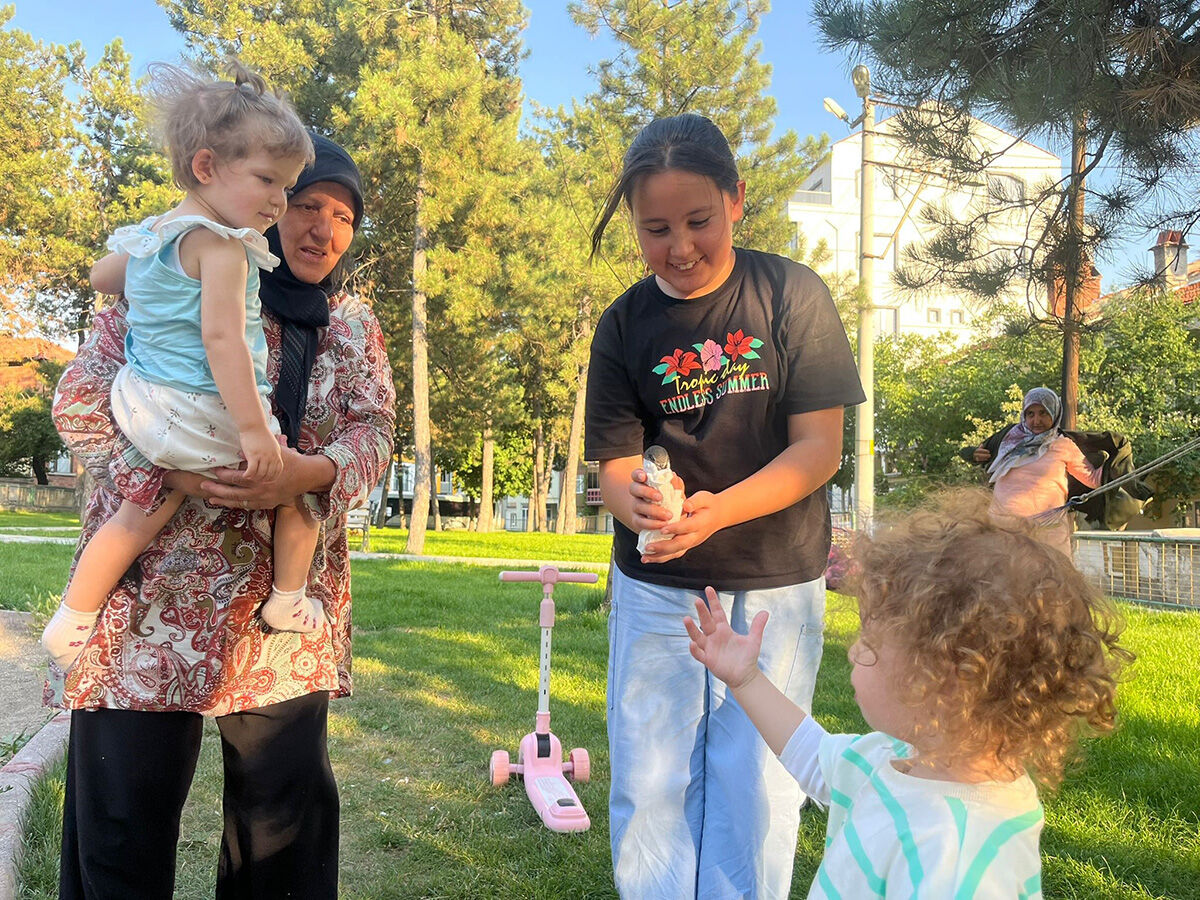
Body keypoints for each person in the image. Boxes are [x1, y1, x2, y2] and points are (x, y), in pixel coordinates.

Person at [50, 123, 395, 899]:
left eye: (345, 215)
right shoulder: (171, 277)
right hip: (145, 608)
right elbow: (77, 405)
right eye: (307, 203)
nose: (323, 228)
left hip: (279, 616)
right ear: (266, 203)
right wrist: (172, 464)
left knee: (283, 838)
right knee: (120, 836)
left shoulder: (352, 325)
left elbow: (374, 432)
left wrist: (302, 474)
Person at [584, 113, 865, 899]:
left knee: (759, 781)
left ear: (737, 201)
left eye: (698, 221)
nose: (679, 247)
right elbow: (612, 466)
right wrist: (643, 507)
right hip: (654, 590)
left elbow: (818, 450)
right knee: (652, 774)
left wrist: (715, 512)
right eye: (655, 229)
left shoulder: (790, 293)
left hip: (774, 577)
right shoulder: (623, 324)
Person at [684, 490, 1132, 898]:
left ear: (943, 679)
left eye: (871, 639)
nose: (853, 649)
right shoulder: (895, 758)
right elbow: (810, 754)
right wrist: (745, 679)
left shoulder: (955, 857)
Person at [41, 64, 323, 671]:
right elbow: (222, 339)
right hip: (205, 409)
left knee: (138, 512)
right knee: (296, 503)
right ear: (205, 168)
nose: (278, 201)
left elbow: (101, 277)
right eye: (268, 181)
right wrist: (254, 430)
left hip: (143, 403)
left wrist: (148, 263)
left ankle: (72, 620)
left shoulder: (154, 236)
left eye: (287, 186)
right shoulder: (222, 245)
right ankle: (288, 600)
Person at [968, 387, 1101, 557]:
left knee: (1051, 580)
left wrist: (1122, 469)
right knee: (1002, 581)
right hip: (1003, 531)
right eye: (1030, 414)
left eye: (1043, 413)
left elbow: (1094, 479)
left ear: (1054, 413)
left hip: (1047, 532)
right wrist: (971, 454)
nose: (1036, 420)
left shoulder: (1063, 445)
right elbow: (977, 453)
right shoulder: (1008, 441)